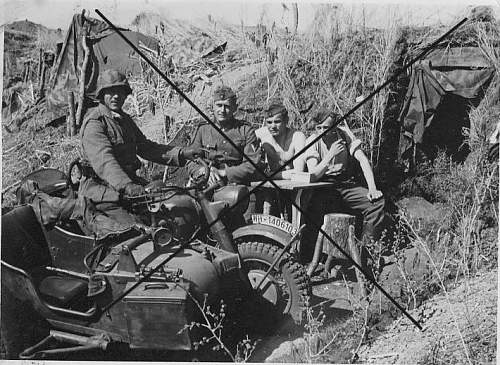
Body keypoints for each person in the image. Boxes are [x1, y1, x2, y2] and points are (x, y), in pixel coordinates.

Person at [78, 69, 200, 237]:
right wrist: (127, 186)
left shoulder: (124, 120)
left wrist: (183, 153)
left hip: (131, 189)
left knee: (174, 212)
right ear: (101, 94)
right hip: (103, 194)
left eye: (120, 91)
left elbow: (147, 148)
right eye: (111, 92)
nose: (116, 96)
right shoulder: (95, 123)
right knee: (137, 234)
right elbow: (105, 162)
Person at [302, 108, 386, 263]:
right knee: (313, 214)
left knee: (376, 204)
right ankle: (315, 258)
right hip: (322, 186)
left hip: (345, 184)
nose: (321, 131)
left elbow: (363, 160)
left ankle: (365, 256)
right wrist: (330, 155)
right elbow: (313, 175)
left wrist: (372, 188)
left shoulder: (344, 134)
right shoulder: (312, 142)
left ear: (335, 127)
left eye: (326, 128)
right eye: (318, 127)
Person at [187, 85, 263, 185]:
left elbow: (253, 164)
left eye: (227, 106)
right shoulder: (202, 130)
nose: (222, 110)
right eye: (219, 105)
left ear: (234, 108)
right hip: (206, 181)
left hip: (236, 183)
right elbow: (190, 160)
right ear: (212, 107)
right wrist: (203, 171)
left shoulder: (245, 130)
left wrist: (224, 173)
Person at [255, 103, 306, 179]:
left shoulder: (297, 137)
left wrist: (267, 175)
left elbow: (299, 172)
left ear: (286, 120)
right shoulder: (262, 134)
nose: (273, 126)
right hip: (273, 182)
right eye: (269, 122)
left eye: (277, 122)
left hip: (296, 184)